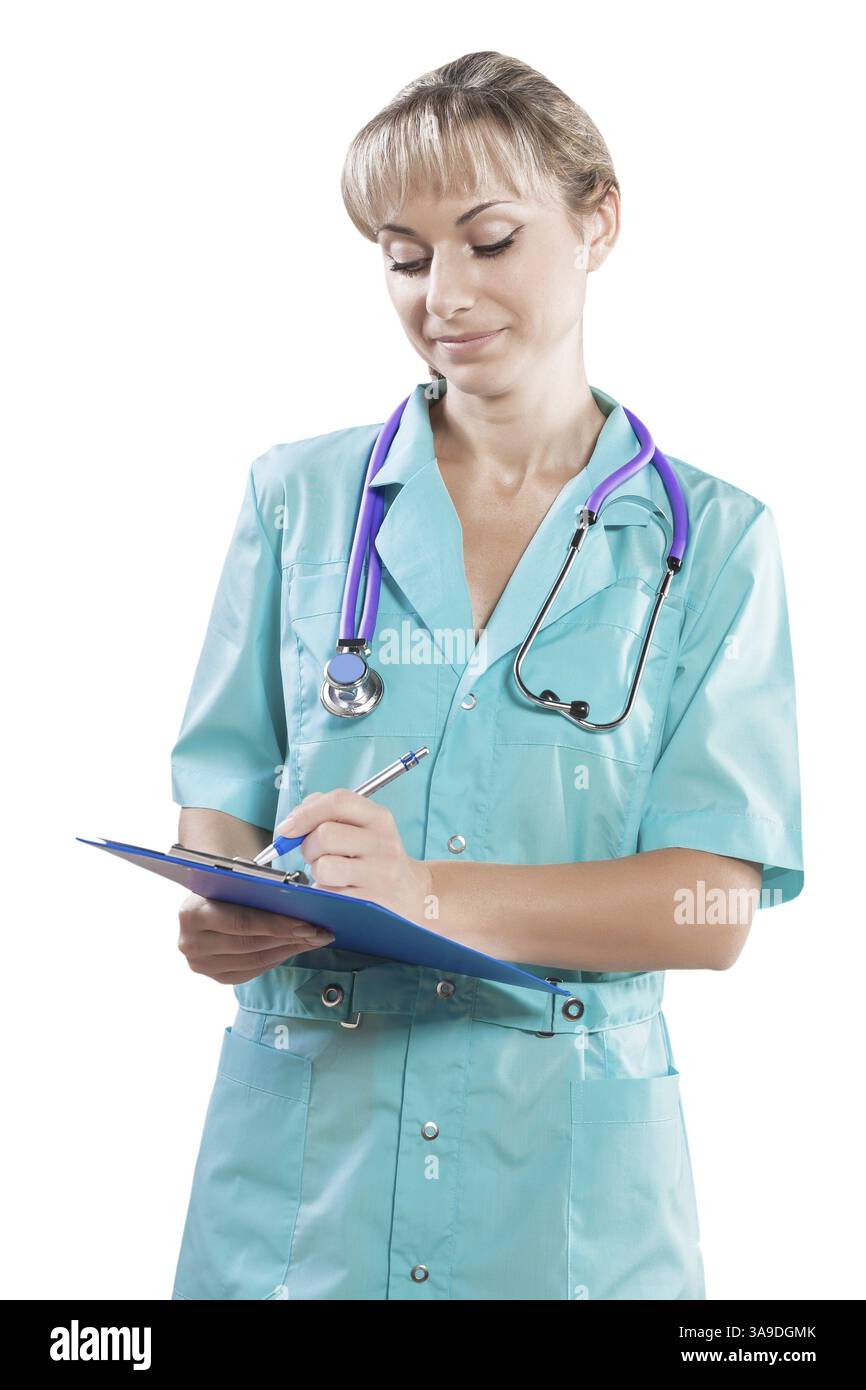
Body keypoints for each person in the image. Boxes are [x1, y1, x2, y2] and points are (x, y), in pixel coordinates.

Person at [168, 50, 804, 1301]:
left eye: (489, 239)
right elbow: (219, 814)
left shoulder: (712, 543)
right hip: (305, 1183)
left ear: (596, 220)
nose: (441, 295)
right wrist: (222, 911)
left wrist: (422, 892)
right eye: (404, 257)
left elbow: (709, 910)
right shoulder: (296, 501)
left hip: (563, 1199)